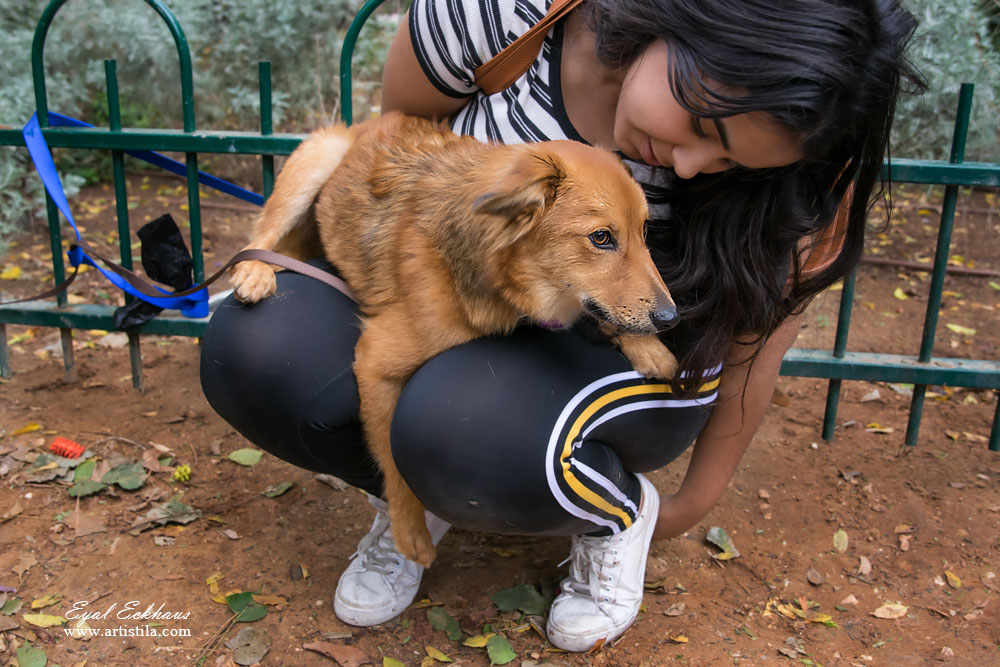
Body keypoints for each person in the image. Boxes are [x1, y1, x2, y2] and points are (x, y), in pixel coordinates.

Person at [200, 0, 923, 651]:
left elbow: (754, 345)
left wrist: (690, 502)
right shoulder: (497, 15)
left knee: (460, 423)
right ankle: (417, 495)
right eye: (702, 125)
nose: (690, 165)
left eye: (729, 162)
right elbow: (397, 135)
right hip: (486, 279)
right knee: (257, 348)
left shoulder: (795, 167)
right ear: (687, 20)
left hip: (639, 351)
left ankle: (613, 512)